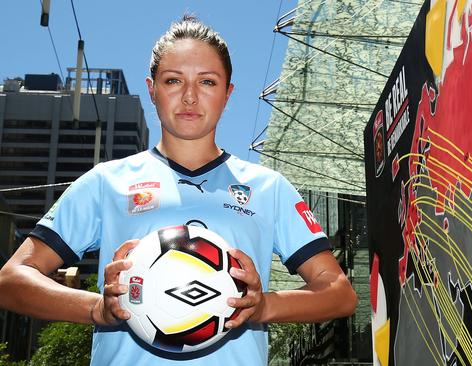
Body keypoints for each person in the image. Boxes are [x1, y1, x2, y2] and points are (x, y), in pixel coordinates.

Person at [0, 15, 357, 365]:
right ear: (152, 88)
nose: (189, 97)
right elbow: (11, 279)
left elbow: (339, 294)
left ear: (228, 93)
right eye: (173, 81)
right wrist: (97, 309)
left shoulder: (268, 188)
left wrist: (265, 305)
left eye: (207, 82)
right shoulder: (106, 182)